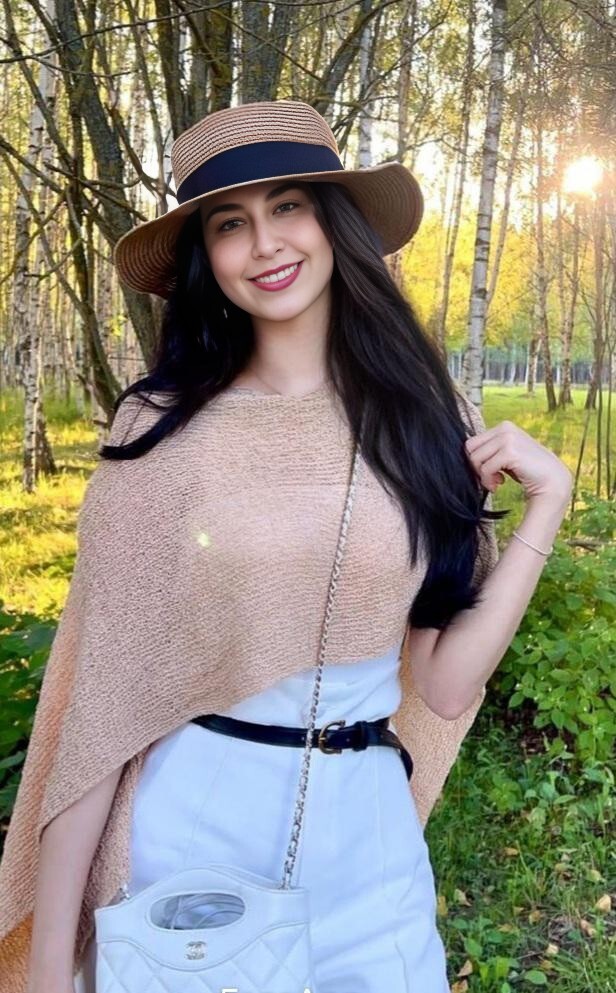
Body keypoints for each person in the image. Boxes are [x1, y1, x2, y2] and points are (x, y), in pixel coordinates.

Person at [0, 100, 573, 993]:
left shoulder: (429, 420)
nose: (265, 244)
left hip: (369, 844)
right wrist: (47, 965)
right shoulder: (160, 429)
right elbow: (101, 708)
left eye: (289, 206)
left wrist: (548, 506)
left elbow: (446, 683)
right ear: (207, 256)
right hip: (195, 841)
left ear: (334, 222)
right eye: (230, 223)